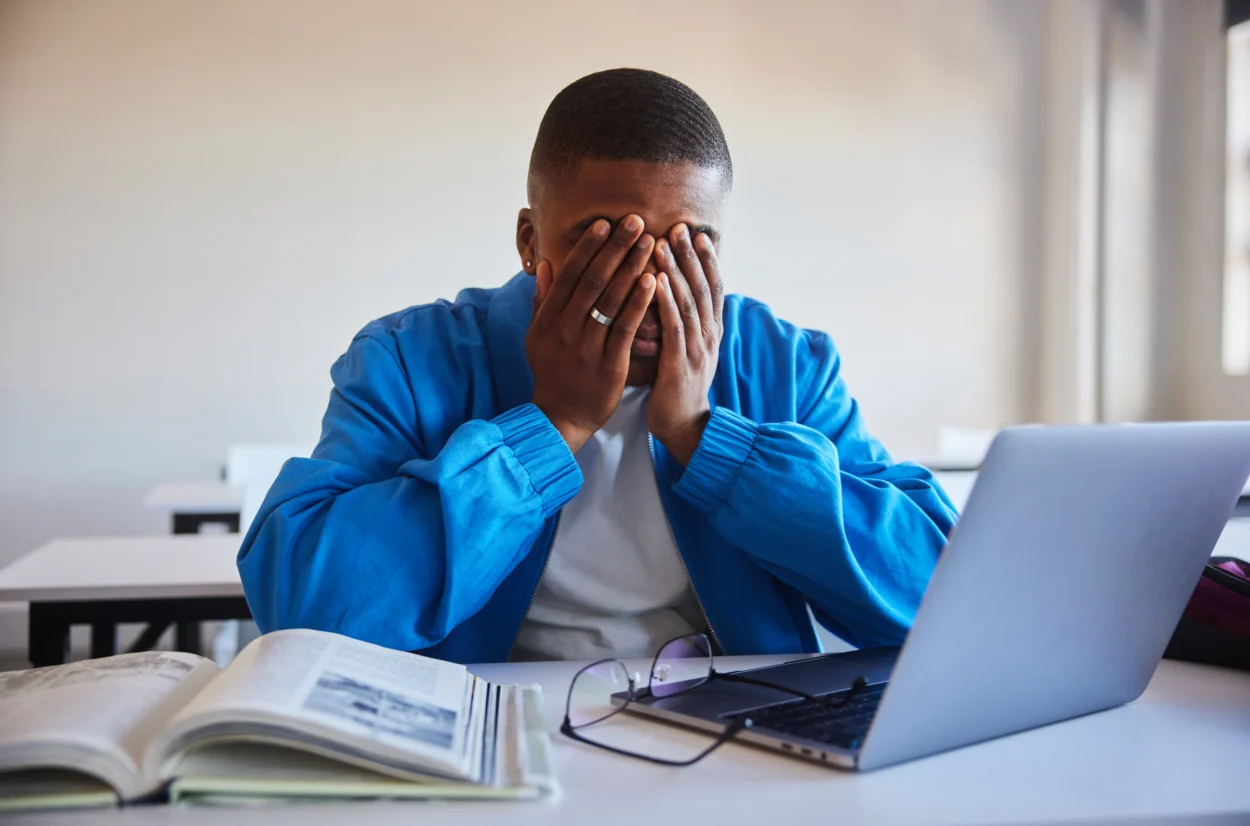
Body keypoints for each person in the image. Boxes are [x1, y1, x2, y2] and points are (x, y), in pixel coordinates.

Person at [237, 68, 957, 664]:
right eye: (607, 242)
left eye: (687, 246)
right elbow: (308, 611)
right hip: (484, 736)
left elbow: (939, 594)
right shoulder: (407, 357)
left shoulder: (784, 364)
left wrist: (710, 439)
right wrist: (552, 426)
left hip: (734, 740)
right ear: (530, 240)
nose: (646, 285)